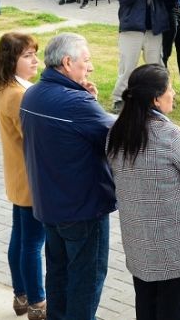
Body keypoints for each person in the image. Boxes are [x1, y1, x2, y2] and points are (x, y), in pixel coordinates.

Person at [20, 33, 115, 320]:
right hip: (83, 211)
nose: (91, 67)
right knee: (85, 281)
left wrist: (89, 100)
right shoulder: (76, 104)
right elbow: (116, 138)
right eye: (86, 60)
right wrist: (90, 103)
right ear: (67, 62)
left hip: (49, 206)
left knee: (58, 276)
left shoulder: (32, 94)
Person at [106, 64, 180, 320]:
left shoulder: (118, 132)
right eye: (169, 89)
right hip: (172, 240)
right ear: (155, 99)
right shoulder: (170, 135)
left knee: (145, 303)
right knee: (172, 307)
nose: (173, 93)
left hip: (138, 237)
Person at [0, 33, 46, 319]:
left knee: (21, 237)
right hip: (31, 180)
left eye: (34, 54)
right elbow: (35, 138)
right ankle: (37, 302)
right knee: (32, 244)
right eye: (27, 56)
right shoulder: (19, 95)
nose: (35, 60)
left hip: (18, 177)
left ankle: (21, 295)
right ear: (10, 60)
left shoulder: (6, 87)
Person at [112, 0, 176, 113]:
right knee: (127, 66)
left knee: (156, 67)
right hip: (131, 27)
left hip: (154, 29)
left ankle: (163, 98)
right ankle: (119, 98)